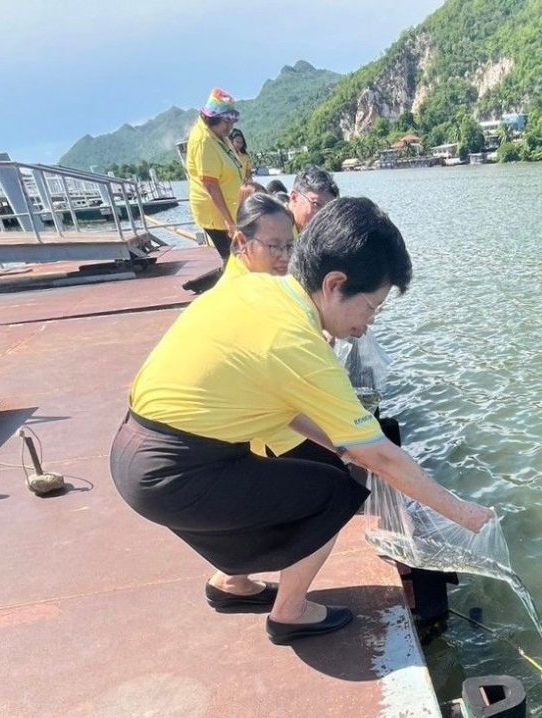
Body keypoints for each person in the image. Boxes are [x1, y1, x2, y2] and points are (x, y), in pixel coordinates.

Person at [109, 197, 493, 645]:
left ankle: (232, 583)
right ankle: (290, 613)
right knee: (333, 493)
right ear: (335, 284)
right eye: (371, 307)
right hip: (174, 474)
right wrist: (466, 515)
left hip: (136, 452)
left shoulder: (257, 290)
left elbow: (285, 410)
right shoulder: (298, 343)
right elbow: (382, 458)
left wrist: (343, 448)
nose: (369, 324)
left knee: (314, 470)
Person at [185, 88, 243, 263]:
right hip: (217, 214)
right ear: (213, 118)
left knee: (239, 257)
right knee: (234, 259)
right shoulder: (204, 141)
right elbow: (210, 184)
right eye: (226, 122)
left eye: (232, 122)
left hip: (231, 207)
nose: (230, 127)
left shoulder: (218, 134)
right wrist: (229, 222)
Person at [289, 166, 339, 237]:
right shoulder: (275, 226)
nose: (322, 216)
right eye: (316, 204)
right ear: (294, 198)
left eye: (329, 209)